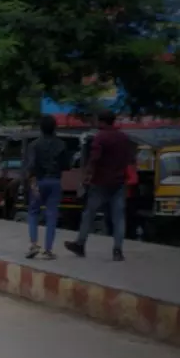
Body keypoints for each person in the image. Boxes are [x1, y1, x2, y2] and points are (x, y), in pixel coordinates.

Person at [65, 111, 137, 261]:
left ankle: (80, 244)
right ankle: (117, 250)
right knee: (118, 217)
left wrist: (87, 176)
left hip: (100, 183)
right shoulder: (123, 138)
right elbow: (129, 159)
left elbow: (94, 159)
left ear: (101, 121)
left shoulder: (100, 137)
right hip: (118, 182)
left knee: (89, 214)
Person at [24, 115, 68, 260]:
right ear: (54, 127)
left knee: (33, 212)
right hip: (55, 181)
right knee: (51, 215)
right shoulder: (61, 144)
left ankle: (33, 244)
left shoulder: (34, 145)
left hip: (38, 181)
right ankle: (48, 250)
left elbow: (31, 165)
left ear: (41, 128)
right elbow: (66, 165)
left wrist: (30, 180)